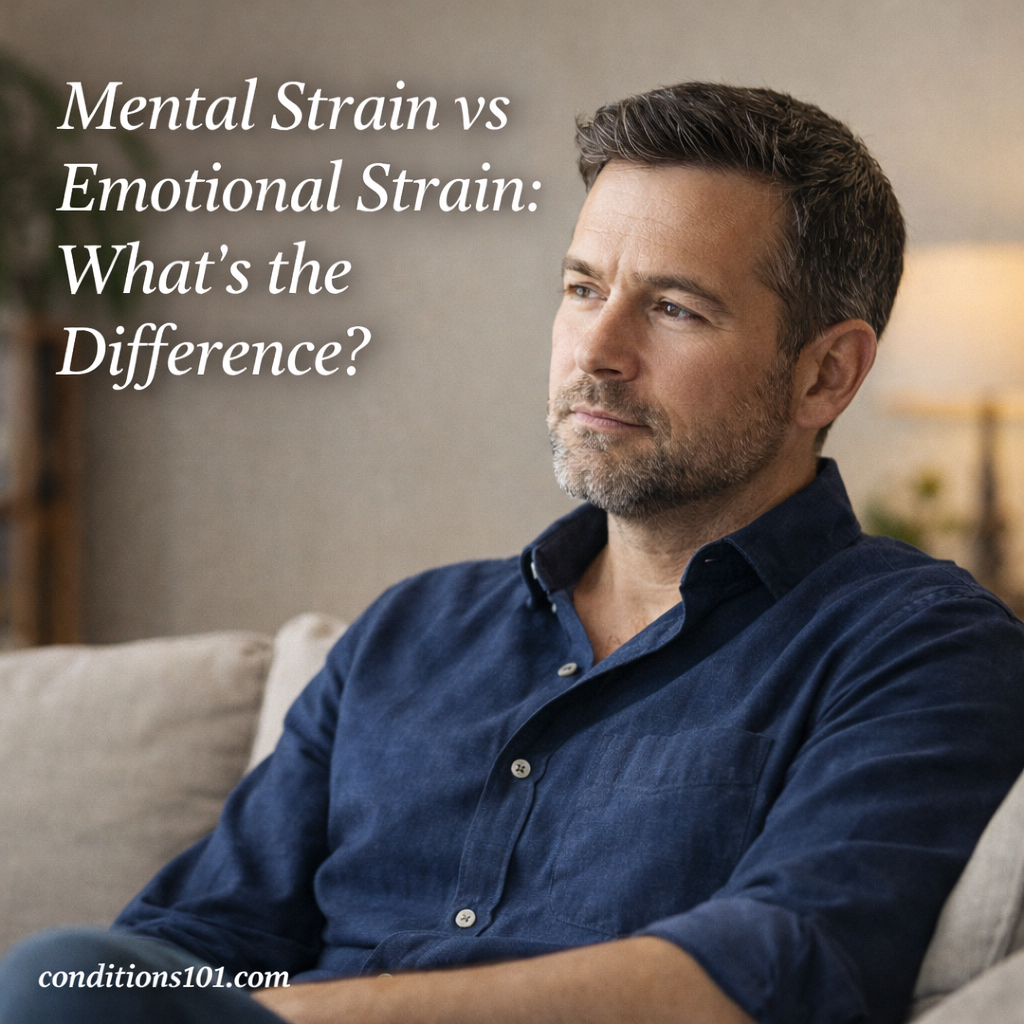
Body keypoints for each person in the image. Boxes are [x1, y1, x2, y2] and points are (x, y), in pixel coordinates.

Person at [2, 82, 1023, 1024]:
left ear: (825, 374)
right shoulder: (410, 630)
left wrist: (289, 1018)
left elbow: (780, 959)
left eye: (673, 308)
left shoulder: (920, 646)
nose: (597, 351)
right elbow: (187, 937)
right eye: (582, 290)